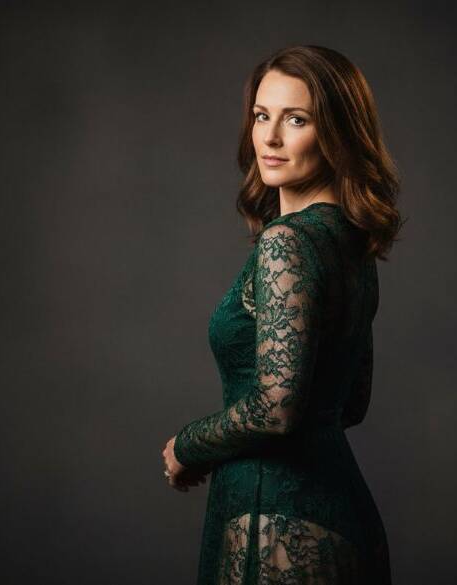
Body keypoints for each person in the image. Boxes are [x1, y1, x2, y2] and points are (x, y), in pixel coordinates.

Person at [160, 45, 404, 584]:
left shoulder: (285, 244)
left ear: (337, 131)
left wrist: (188, 446)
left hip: (276, 527)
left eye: (296, 120)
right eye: (260, 116)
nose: (269, 138)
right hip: (340, 518)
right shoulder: (352, 246)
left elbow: (275, 410)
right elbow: (352, 402)